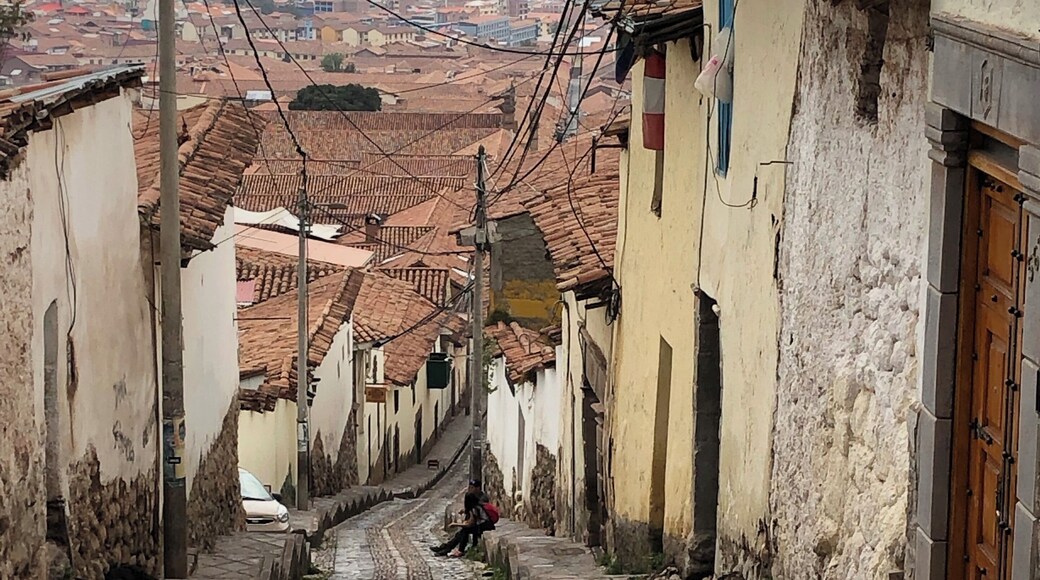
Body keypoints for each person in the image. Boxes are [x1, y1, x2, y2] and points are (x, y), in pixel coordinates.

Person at [431, 491, 494, 557]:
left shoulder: (474, 509)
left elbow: (470, 524)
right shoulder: (476, 506)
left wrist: (455, 524)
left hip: (485, 527)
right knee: (461, 533)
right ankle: (446, 548)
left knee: (465, 531)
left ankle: (456, 550)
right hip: (484, 526)